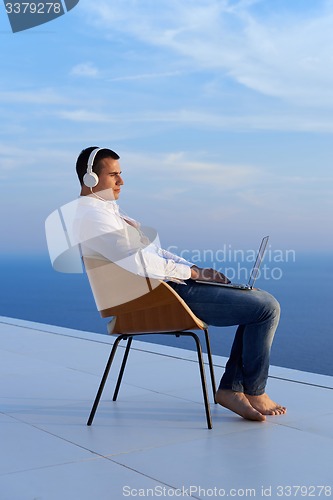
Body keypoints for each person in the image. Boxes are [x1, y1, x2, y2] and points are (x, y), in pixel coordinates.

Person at [75, 146, 286, 422]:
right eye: (114, 175)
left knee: (253, 298)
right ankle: (251, 391)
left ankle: (234, 389)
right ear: (90, 178)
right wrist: (192, 275)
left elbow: (154, 253)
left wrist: (194, 269)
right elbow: (139, 263)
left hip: (164, 289)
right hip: (156, 298)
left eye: (121, 174)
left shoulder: (107, 212)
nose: (121, 181)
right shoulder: (94, 216)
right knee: (266, 307)